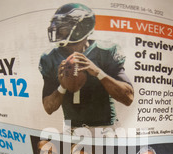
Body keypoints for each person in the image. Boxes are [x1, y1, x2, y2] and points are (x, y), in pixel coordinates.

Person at [39, 3, 134, 136]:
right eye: (56, 24)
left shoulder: (105, 52)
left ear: (81, 27)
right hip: (72, 129)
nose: (57, 29)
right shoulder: (50, 57)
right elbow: (48, 108)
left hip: (105, 128)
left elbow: (128, 98)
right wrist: (62, 86)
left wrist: (98, 73)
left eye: (63, 26)